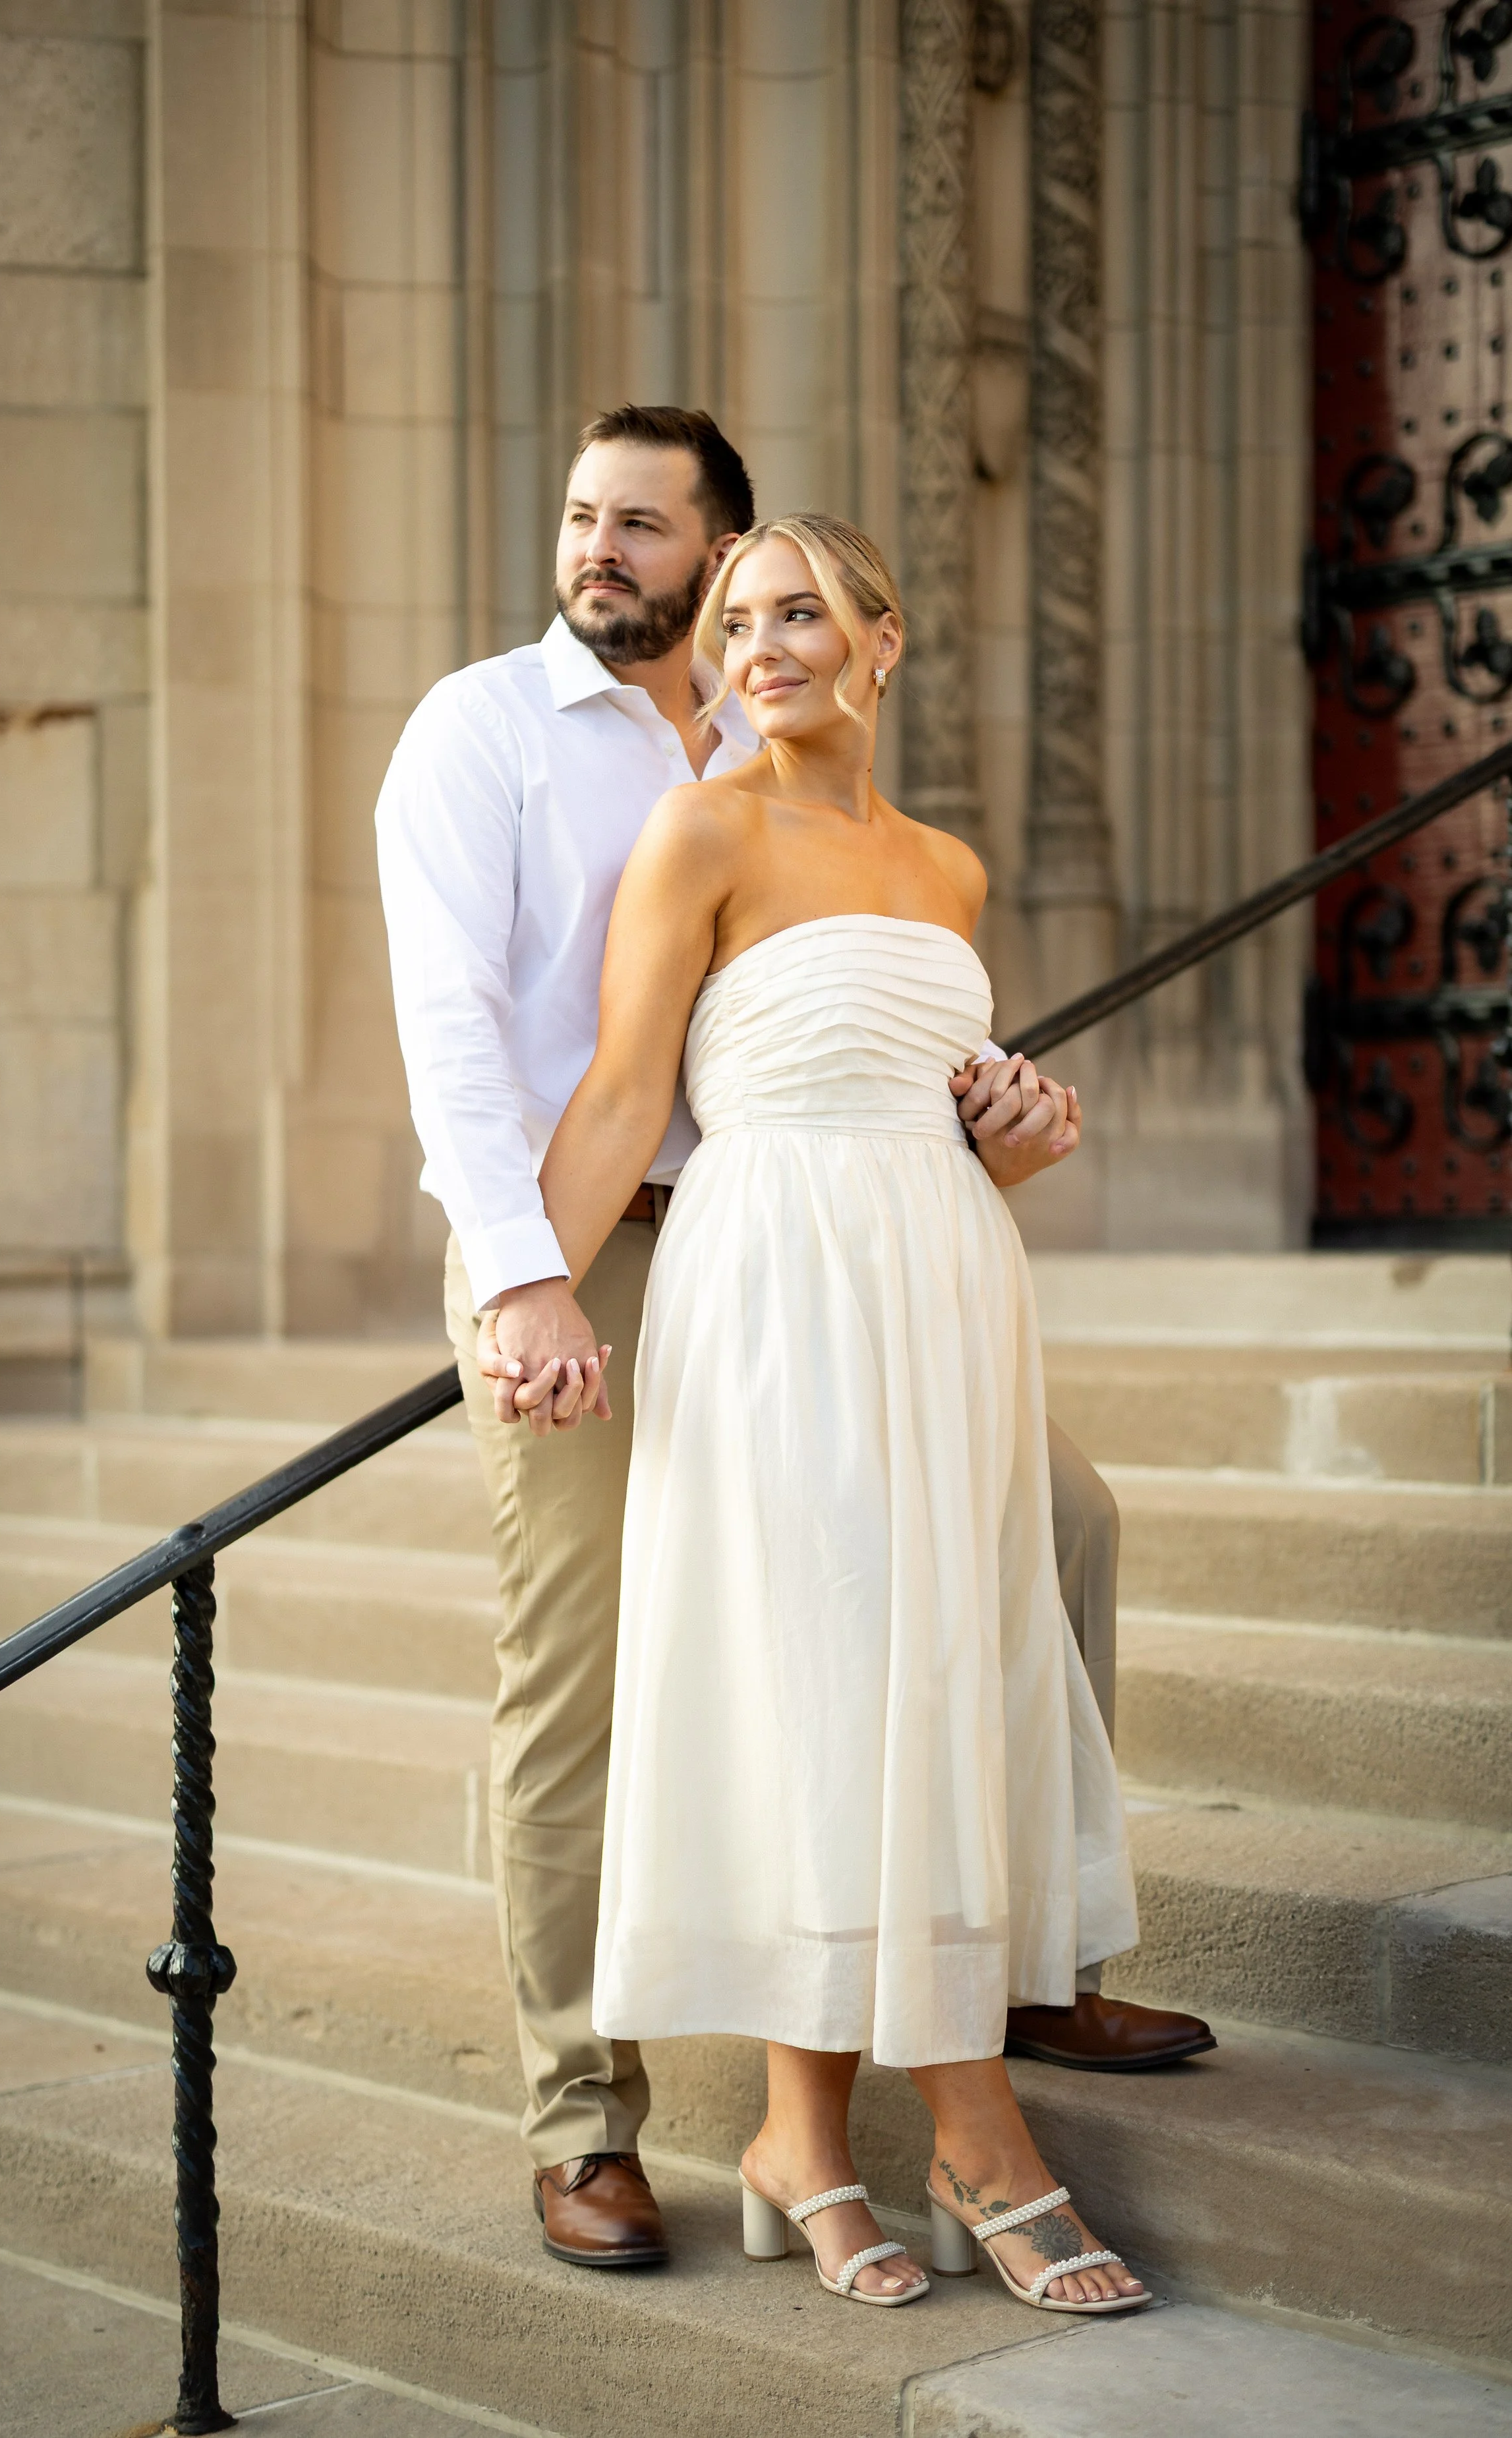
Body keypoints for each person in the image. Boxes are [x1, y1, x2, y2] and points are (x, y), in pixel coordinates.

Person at [375, 406, 1211, 2277]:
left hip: (883, 1260)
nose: (605, 549)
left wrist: (993, 1136)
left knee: (1038, 1547)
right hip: (604, 1252)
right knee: (613, 1666)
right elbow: (522, 1062)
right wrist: (514, 1287)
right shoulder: (502, 738)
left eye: (652, 530)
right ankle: (593, 2117)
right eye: (584, 516)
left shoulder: (921, 849)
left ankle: (1012, 1963)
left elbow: (894, 1078)